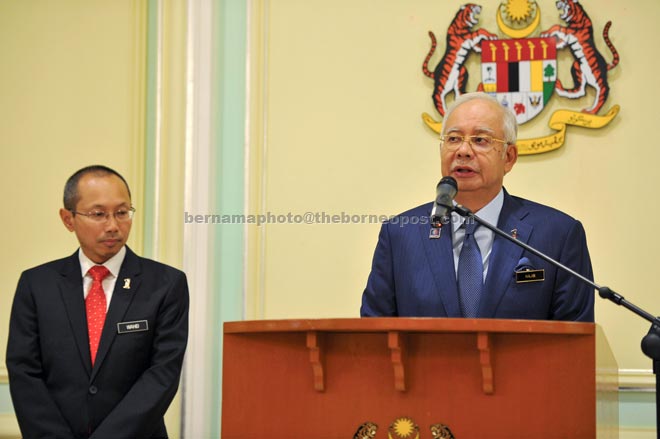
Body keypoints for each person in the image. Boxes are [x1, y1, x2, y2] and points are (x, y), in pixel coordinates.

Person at [361, 92, 594, 321]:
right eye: (453, 139)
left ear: (509, 157)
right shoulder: (401, 234)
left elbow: (574, 341)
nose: (463, 150)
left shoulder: (558, 235)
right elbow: (373, 336)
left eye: (480, 140)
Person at [6, 165, 189, 438]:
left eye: (122, 212)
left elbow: (162, 375)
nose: (113, 225)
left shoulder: (165, 284)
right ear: (68, 219)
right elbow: (24, 373)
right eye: (98, 214)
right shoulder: (37, 285)